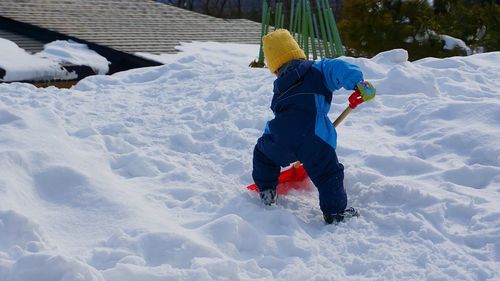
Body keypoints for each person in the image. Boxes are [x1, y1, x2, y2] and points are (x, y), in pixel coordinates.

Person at [252, 29, 376, 224]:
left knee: (263, 155)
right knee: (328, 173)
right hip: (314, 138)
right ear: (299, 53)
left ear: (275, 69)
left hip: (281, 136)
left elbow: (281, 118)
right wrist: (357, 83)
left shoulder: (280, 88)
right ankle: (334, 213)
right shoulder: (318, 69)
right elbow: (338, 68)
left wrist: (269, 137)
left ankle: (267, 190)